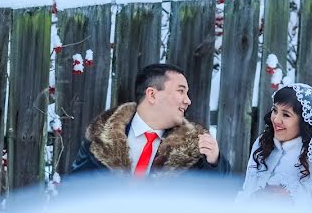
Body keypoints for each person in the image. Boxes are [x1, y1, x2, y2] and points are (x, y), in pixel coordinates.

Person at [70, 63, 231, 176]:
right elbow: (75, 190)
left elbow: (216, 198)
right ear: (152, 95)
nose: (187, 100)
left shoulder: (194, 148)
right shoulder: (101, 138)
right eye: (181, 91)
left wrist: (215, 163)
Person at [238, 83, 312, 210]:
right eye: (275, 110)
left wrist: (289, 201)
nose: (276, 120)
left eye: (286, 115)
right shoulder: (262, 145)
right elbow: (246, 193)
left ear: (304, 121)